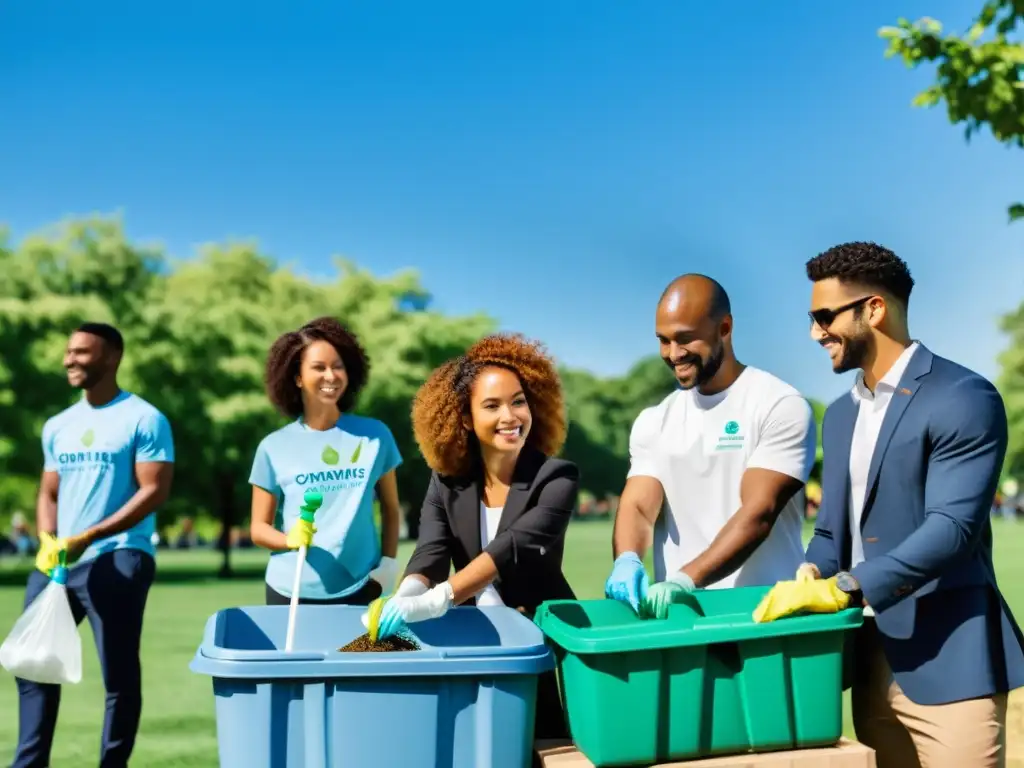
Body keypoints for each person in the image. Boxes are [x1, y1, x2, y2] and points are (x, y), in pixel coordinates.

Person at [800, 242, 1024, 768]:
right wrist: (814, 567)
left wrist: (851, 585)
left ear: (873, 309)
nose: (815, 332)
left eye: (824, 316)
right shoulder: (838, 415)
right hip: (869, 660)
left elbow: (952, 529)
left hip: (952, 660)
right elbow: (834, 533)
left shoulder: (964, 396)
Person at [369, 332, 579, 741]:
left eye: (518, 401)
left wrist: (442, 597)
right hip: (473, 641)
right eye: (492, 405)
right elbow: (430, 549)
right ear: (464, 418)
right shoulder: (446, 482)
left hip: (540, 646)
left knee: (541, 746)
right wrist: (408, 594)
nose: (510, 416)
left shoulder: (557, 477)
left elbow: (512, 545)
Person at [605, 274, 816, 619]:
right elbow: (640, 506)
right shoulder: (654, 420)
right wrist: (627, 558)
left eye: (685, 339)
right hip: (683, 621)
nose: (673, 354)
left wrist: (686, 580)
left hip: (768, 618)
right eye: (664, 340)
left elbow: (758, 513)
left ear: (725, 328)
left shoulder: (779, 404)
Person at [13, 322, 175, 768]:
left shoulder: (144, 418)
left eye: (82, 352)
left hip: (120, 555)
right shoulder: (59, 426)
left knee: (117, 674)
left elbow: (154, 491)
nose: (70, 360)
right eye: (69, 352)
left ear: (112, 358)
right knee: (32, 662)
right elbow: (49, 492)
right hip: (60, 562)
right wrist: (50, 538)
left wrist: (90, 536)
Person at [249, 316, 403, 607]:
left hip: (363, 585)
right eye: (319, 367)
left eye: (338, 366)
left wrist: (389, 563)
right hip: (291, 589)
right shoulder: (272, 447)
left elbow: (391, 509)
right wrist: (288, 539)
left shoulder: (375, 436)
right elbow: (258, 528)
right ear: (297, 377)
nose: (331, 376)